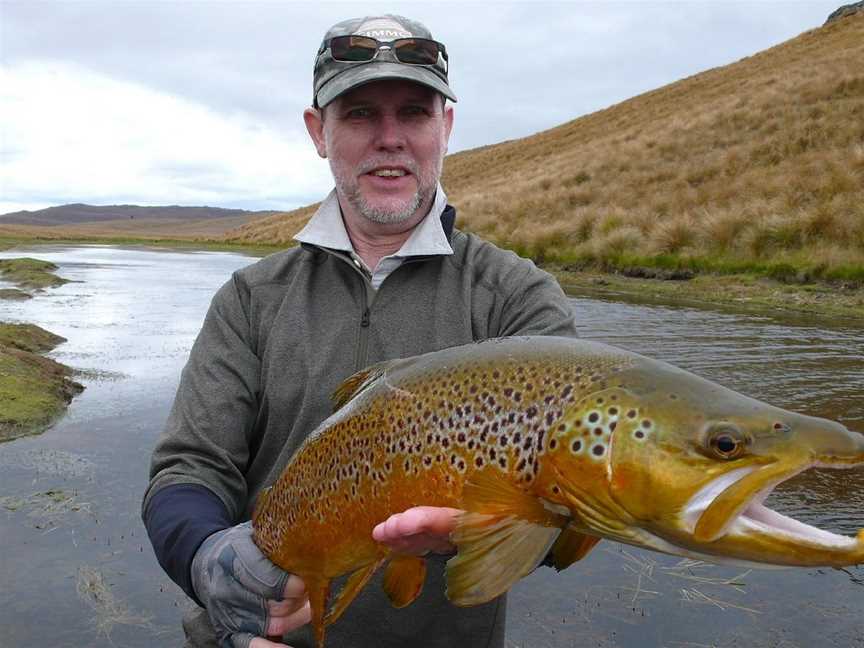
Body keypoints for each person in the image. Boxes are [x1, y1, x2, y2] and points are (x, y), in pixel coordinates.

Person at [142, 14, 578, 648]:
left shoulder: (516, 298)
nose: (390, 139)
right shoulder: (249, 300)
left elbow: (572, 502)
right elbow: (187, 471)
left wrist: (484, 529)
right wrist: (207, 559)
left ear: (446, 128)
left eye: (414, 113)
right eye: (360, 114)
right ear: (319, 133)